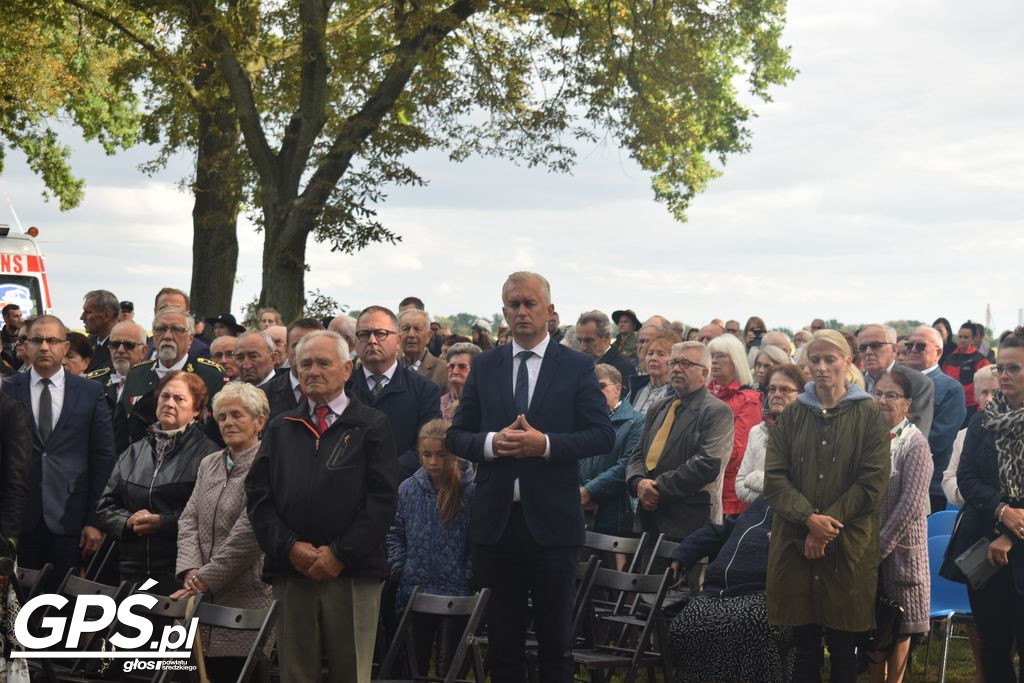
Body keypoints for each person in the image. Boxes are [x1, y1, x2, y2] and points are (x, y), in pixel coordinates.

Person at [447, 271, 614, 683]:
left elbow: (601, 435)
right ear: (503, 311)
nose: (521, 312)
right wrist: (490, 443)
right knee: (503, 644)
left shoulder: (576, 366)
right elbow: (456, 434)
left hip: (553, 525)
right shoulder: (485, 366)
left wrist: (546, 445)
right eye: (513, 305)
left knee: (556, 645)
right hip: (497, 523)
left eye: (529, 304)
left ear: (549, 311)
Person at [246, 330, 400, 683]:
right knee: (295, 673)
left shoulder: (372, 425)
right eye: (305, 364)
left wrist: (340, 554)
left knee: (351, 672)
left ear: (347, 369)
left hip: (352, 573)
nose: (312, 371)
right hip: (292, 571)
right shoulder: (281, 427)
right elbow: (258, 496)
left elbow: (382, 500)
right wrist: (289, 547)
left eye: (323, 363)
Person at [763, 329, 890, 683]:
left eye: (829, 359)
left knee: (844, 646)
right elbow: (774, 478)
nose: (821, 368)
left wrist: (825, 525)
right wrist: (807, 519)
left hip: (846, 544)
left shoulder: (867, 415)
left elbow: (872, 481)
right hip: (795, 541)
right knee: (804, 647)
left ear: (847, 362)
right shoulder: (792, 416)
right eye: (814, 360)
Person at [2, 315, 117, 590]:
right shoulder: (8, 389)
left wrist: (94, 520)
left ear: (65, 347)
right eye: (37, 340)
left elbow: (103, 458)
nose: (44, 347)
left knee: (62, 609)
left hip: (71, 521)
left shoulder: (90, 391)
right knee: (17, 605)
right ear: (25, 345)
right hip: (17, 520)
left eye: (52, 340)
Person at [172, 382, 273, 682]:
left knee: (239, 673)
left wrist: (203, 580)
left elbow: (248, 536)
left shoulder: (268, 464)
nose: (228, 423)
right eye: (222, 417)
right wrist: (191, 571)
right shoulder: (209, 463)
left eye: (237, 415)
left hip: (247, 595)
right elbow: (188, 519)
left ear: (259, 421)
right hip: (200, 594)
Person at [940, 327, 1024, 681]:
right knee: (992, 644)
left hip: (1013, 546)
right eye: (1001, 368)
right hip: (983, 546)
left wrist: (1011, 535)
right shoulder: (982, 421)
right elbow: (967, 478)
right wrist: (1002, 511)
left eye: (1014, 368)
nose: (1004, 375)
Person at [97, 371, 219, 594]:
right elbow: (105, 505)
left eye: (179, 399)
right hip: (129, 570)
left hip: (177, 571)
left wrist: (163, 522)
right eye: (164, 396)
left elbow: (206, 513)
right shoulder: (134, 450)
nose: (169, 403)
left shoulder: (209, 454)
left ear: (195, 411)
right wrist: (127, 522)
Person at [667, 497, 793, 682]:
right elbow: (721, 529)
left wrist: (785, 540)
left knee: (752, 624)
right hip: (716, 592)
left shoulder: (804, 509)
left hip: (761, 592)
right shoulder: (762, 502)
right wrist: (682, 555)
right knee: (683, 627)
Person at [386, 419, 475, 675]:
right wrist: (400, 567)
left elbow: (478, 540)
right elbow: (395, 532)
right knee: (413, 665)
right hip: (415, 590)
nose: (433, 462)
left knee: (449, 668)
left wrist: (467, 574)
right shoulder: (408, 489)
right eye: (427, 455)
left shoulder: (471, 492)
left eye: (440, 455)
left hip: (456, 593)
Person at [626, 341, 734, 541]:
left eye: (685, 363)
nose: (676, 368)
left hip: (688, 523)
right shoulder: (658, 408)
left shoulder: (716, 411)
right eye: (673, 362)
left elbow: (707, 464)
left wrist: (656, 489)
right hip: (648, 519)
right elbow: (638, 454)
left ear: (704, 373)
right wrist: (638, 482)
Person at [867, 370, 932, 682]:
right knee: (873, 630)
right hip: (868, 552)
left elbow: (910, 505)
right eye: (878, 393)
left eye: (891, 395)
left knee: (899, 628)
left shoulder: (915, 444)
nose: (882, 400)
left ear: (907, 403)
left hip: (901, 554)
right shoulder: (868, 439)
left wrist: (879, 546)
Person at [347, 306, 442, 478]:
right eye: (364, 334)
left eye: (381, 333)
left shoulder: (424, 390)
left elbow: (426, 446)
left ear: (398, 340)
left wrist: (386, 474)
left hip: (402, 488)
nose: (372, 341)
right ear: (356, 341)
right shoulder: (343, 388)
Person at [120, 307, 225, 444]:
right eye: (161, 329)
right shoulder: (136, 374)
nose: (167, 336)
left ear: (190, 339)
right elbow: (122, 430)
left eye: (177, 329)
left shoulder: (211, 375)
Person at [579, 365, 644, 550]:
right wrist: (578, 491)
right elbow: (571, 456)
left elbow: (628, 464)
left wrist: (590, 491)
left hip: (616, 515)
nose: (595, 392)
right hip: (580, 511)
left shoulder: (636, 421)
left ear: (618, 388)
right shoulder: (581, 419)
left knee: (612, 575)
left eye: (601, 386)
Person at [904, 326, 966, 513]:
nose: (913, 349)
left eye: (921, 346)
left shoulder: (951, 389)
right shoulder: (895, 384)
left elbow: (939, 440)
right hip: (891, 480)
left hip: (929, 484)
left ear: (938, 352)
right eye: (909, 345)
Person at [706, 334, 762, 515]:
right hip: (701, 487)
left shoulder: (748, 400)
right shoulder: (704, 395)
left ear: (735, 360)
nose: (714, 361)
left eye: (721, 355)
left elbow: (737, 451)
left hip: (728, 493)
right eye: (711, 355)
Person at [735, 364, 805, 505]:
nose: (777, 394)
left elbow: (800, 488)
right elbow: (740, 484)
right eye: (772, 389)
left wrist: (753, 477)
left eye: (785, 389)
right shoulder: (757, 431)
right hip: (758, 516)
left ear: (801, 394)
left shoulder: (808, 432)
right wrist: (772, 500)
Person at [857, 324, 934, 434]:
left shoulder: (919, 383)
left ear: (894, 350)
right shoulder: (852, 382)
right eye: (863, 348)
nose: (868, 352)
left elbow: (917, 435)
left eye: (876, 346)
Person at [89, 321, 149, 455]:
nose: (120, 350)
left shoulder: (154, 382)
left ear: (144, 351)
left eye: (129, 345)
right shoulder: (93, 382)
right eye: (115, 345)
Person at [943, 365, 998, 507]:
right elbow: (949, 479)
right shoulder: (963, 435)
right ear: (976, 397)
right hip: (973, 514)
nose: (989, 399)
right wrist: (973, 492)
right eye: (984, 392)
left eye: (996, 392)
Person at [264, 318, 324, 419]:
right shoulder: (264, 395)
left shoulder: (338, 390)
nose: (304, 352)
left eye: (312, 346)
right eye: (297, 346)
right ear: (286, 349)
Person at [576, 310, 636, 398]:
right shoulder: (577, 365)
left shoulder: (624, 369)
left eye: (588, 341)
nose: (582, 347)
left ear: (607, 337)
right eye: (579, 341)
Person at [942, 320, 992, 422]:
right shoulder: (949, 358)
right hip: (951, 407)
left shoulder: (981, 360)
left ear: (973, 339)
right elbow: (943, 382)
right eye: (960, 337)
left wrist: (981, 409)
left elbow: (987, 386)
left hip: (972, 409)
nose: (962, 340)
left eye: (966, 337)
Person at [627, 329, 679, 414]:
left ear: (674, 360)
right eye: (650, 353)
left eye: (661, 354)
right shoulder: (637, 386)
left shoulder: (677, 393)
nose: (653, 358)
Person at [399, 308, 449, 392]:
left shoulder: (444, 370)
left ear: (428, 336)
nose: (411, 334)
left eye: (417, 329)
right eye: (406, 329)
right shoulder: (389, 368)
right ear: (398, 334)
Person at [440, 342, 481, 423]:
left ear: (476, 370)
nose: (455, 371)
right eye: (451, 366)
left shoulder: (482, 403)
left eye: (462, 366)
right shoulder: (438, 403)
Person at [80, 289, 119, 373]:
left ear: (107, 315)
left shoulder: (123, 346)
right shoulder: (88, 343)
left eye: (88, 312)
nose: (82, 317)